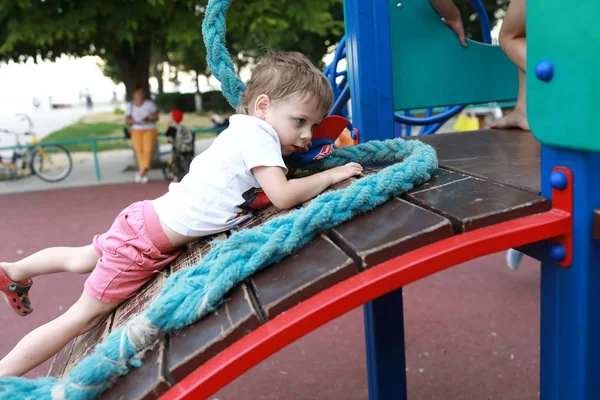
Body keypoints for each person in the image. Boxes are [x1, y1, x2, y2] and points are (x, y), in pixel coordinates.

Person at [0, 51, 363, 377]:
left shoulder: (245, 130)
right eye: (300, 121)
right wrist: (331, 174)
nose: (306, 135)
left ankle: (16, 270)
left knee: (83, 257)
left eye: (313, 126)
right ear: (263, 106)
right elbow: (282, 196)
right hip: (142, 244)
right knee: (79, 319)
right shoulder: (258, 137)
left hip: (144, 220)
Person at [125, 87, 160, 184]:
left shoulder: (149, 104)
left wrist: (148, 119)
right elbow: (127, 119)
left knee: (147, 150)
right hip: (136, 129)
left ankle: (141, 172)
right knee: (139, 151)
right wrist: (135, 121)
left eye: (141, 93)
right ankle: (144, 174)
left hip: (149, 128)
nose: (140, 96)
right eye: (138, 93)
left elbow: (156, 116)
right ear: (134, 94)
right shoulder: (130, 105)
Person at [165, 109, 195, 182]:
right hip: (187, 149)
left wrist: (168, 124)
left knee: (175, 165)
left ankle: (175, 179)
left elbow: (166, 134)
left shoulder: (173, 129)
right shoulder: (184, 127)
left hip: (178, 149)